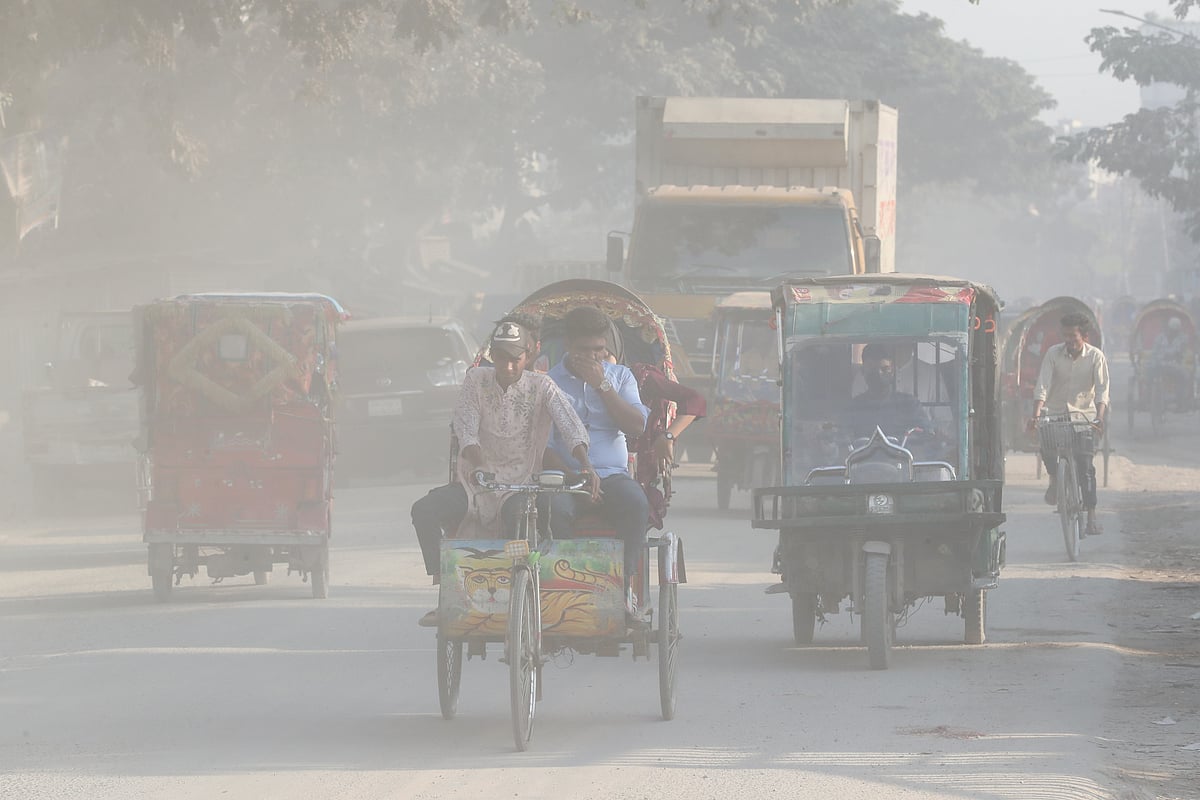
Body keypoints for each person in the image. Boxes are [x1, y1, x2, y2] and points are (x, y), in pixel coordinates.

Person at [410, 317, 596, 624]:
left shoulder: (542, 385)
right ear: (492, 355)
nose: (508, 367)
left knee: (518, 518)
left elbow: (569, 424)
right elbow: (466, 430)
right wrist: (480, 466)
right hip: (477, 482)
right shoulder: (476, 380)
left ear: (528, 355)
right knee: (424, 510)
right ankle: (446, 589)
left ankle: (519, 594)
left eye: (515, 359)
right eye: (501, 358)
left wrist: (586, 464)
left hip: (521, 483)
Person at [545, 306, 651, 615]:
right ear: (568, 345)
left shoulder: (620, 376)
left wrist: (601, 384)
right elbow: (544, 446)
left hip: (612, 475)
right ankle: (567, 590)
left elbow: (635, 426)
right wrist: (574, 476)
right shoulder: (549, 383)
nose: (593, 357)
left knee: (636, 503)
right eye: (584, 350)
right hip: (565, 478)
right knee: (552, 510)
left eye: (599, 350)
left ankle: (623, 589)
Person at [1030, 312, 1109, 536]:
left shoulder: (1096, 357)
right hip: (1055, 413)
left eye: (1073, 336)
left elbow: (1103, 392)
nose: (1069, 341)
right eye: (1065, 336)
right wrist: (1036, 415)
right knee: (1045, 442)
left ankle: (1091, 517)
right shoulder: (1053, 354)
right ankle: (1055, 478)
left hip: (1084, 417)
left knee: (1086, 467)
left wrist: (1099, 418)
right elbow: (1042, 385)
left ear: (1083, 336)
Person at [844, 343, 932, 440]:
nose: (878, 373)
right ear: (863, 371)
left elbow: (926, 435)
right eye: (872, 369)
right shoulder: (853, 408)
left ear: (893, 371)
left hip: (902, 455)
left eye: (884, 369)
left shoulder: (909, 404)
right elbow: (843, 440)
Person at [1149, 316, 1190, 409]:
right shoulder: (1160, 338)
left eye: (1175, 330)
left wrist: (1172, 355)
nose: (1173, 332)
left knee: (1184, 377)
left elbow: (1181, 353)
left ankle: (1181, 402)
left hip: (1174, 366)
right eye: (1171, 330)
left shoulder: (1183, 339)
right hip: (1159, 364)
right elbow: (1154, 352)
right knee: (1148, 374)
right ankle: (1149, 397)